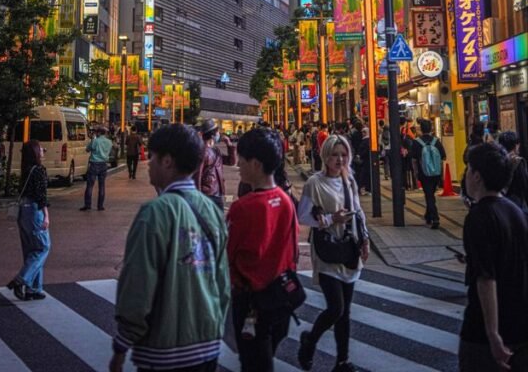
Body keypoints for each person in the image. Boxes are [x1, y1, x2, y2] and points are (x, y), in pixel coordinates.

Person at [109, 123, 230, 372]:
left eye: (152, 157)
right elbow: (223, 282)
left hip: (163, 350)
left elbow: (138, 284)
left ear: (167, 161)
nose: (148, 164)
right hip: (208, 342)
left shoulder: (155, 213)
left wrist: (123, 343)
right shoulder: (212, 211)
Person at [227, 127, 299, 372]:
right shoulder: (285, 199)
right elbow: (294, 251)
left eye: (242, 160)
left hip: (251, 300)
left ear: (255, 164)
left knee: (254, 362)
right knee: (265, 355)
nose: (238, 166)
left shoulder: (243, 208)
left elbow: (228, 254)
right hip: (282, 295)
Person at [298, 134, 370, 372]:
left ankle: (342, 361)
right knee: (336, 308)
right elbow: (303, 216)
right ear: (325, 156)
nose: (339, 159)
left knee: (345, 311)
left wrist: (365, 239)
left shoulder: (349, 180)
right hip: (328, 249)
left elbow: (358, 211)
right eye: (334, 155)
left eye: (343, 155)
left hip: (349, 248)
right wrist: (330, 219)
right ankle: (310, 340)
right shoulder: (314, 183)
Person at [459, 143, 528, 372]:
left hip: (483, 332)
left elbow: (486, 279)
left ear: (477, 176)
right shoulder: (515, 211)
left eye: (468, 169)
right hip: (520, 323)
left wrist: (493, 334)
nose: (466, 175)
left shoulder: (479, 216)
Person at [7, 140, 50, 301]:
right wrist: (46, 215)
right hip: (34, 210)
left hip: (23, 211)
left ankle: (34, 288)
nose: (43, 151)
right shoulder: (39, 170)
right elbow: (41, 196)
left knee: (30, 250)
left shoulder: (26, 169)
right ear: (35, 152)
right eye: (40, 148)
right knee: (42, 247)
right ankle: (22, 279)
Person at [411, 118, 446, 229]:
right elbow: (443, 156)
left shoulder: (417, 142)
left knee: (429, 195)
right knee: (430, 194)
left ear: (421, 129)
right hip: (436, 173)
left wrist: (416, 173)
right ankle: (428, 216)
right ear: (431, 129)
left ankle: (435, 218)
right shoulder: (436, 141)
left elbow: (414, 159)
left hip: (424, 172)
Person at [80, 125, 113, 211]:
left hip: (94, 163)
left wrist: (92, 139)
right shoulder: (109, 142)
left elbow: (87, 149)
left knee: (90, 185)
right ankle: (100, 206)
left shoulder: (95, 141)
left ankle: (88, 205)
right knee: (102, 185)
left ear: (98, 133)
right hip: (104, 164)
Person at [194, 119, 225, 209]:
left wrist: (230, 145)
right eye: (217, 132)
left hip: (218, 192)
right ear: (212, 135)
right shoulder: (203, 152)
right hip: (208, 194)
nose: (218, 134)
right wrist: (198, 197)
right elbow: (197, 176)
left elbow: (231, 161)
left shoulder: (215, 150)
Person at [498, 131, 528, 213]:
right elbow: (524, 184)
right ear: (515, 145)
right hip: (516, 203)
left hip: (500, 202)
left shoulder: (497, 160)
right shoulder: (517, 161)